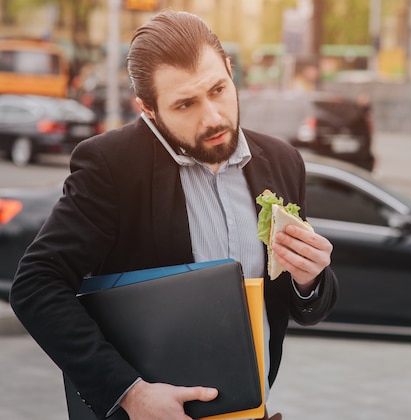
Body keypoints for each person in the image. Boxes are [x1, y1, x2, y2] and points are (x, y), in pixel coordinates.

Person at [10, 10, 338, 420]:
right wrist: (128, 393)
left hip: (254, 410)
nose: (212, 117)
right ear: (148, 109)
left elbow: (306, 305)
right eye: (185, 103)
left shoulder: (283, 161)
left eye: (218, 89)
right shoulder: (111, 165)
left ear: (230, 71)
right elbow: (36, 286)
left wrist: (310, 279)